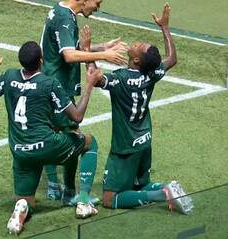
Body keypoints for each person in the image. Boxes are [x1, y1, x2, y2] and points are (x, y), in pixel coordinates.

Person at [0, 41, 101, 235]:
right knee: (89, 142)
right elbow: (77, 116)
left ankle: (22, 207)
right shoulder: (49, 83)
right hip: (47, 146)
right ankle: (82, 200)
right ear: (41, 60)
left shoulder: (9, 76)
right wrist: (90, 86)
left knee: (28, 201)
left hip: (20, 151)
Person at [85, 3, 194, 214]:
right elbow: (172, 58)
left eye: (139, 47)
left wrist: (88, 52)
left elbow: (95, 78)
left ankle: (161, 195)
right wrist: (165, 27)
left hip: (125, 148)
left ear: (135, 60)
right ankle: (165, 187)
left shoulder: (122, 79)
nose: (137, 43)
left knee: (110, 199)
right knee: (138, 184)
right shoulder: (151, 74)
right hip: (144, 140)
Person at [40, 0, 128, 202]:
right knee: (75, 138)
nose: (97, 7)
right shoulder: (65, 18)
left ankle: (54, 185)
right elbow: (69, 55)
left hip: (49, 83)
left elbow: (67, 46)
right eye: (97, 2)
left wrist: (100, 46)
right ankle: (69, 193)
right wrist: (104, 55)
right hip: (58, 88)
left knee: (53, 132)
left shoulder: (60, 11)